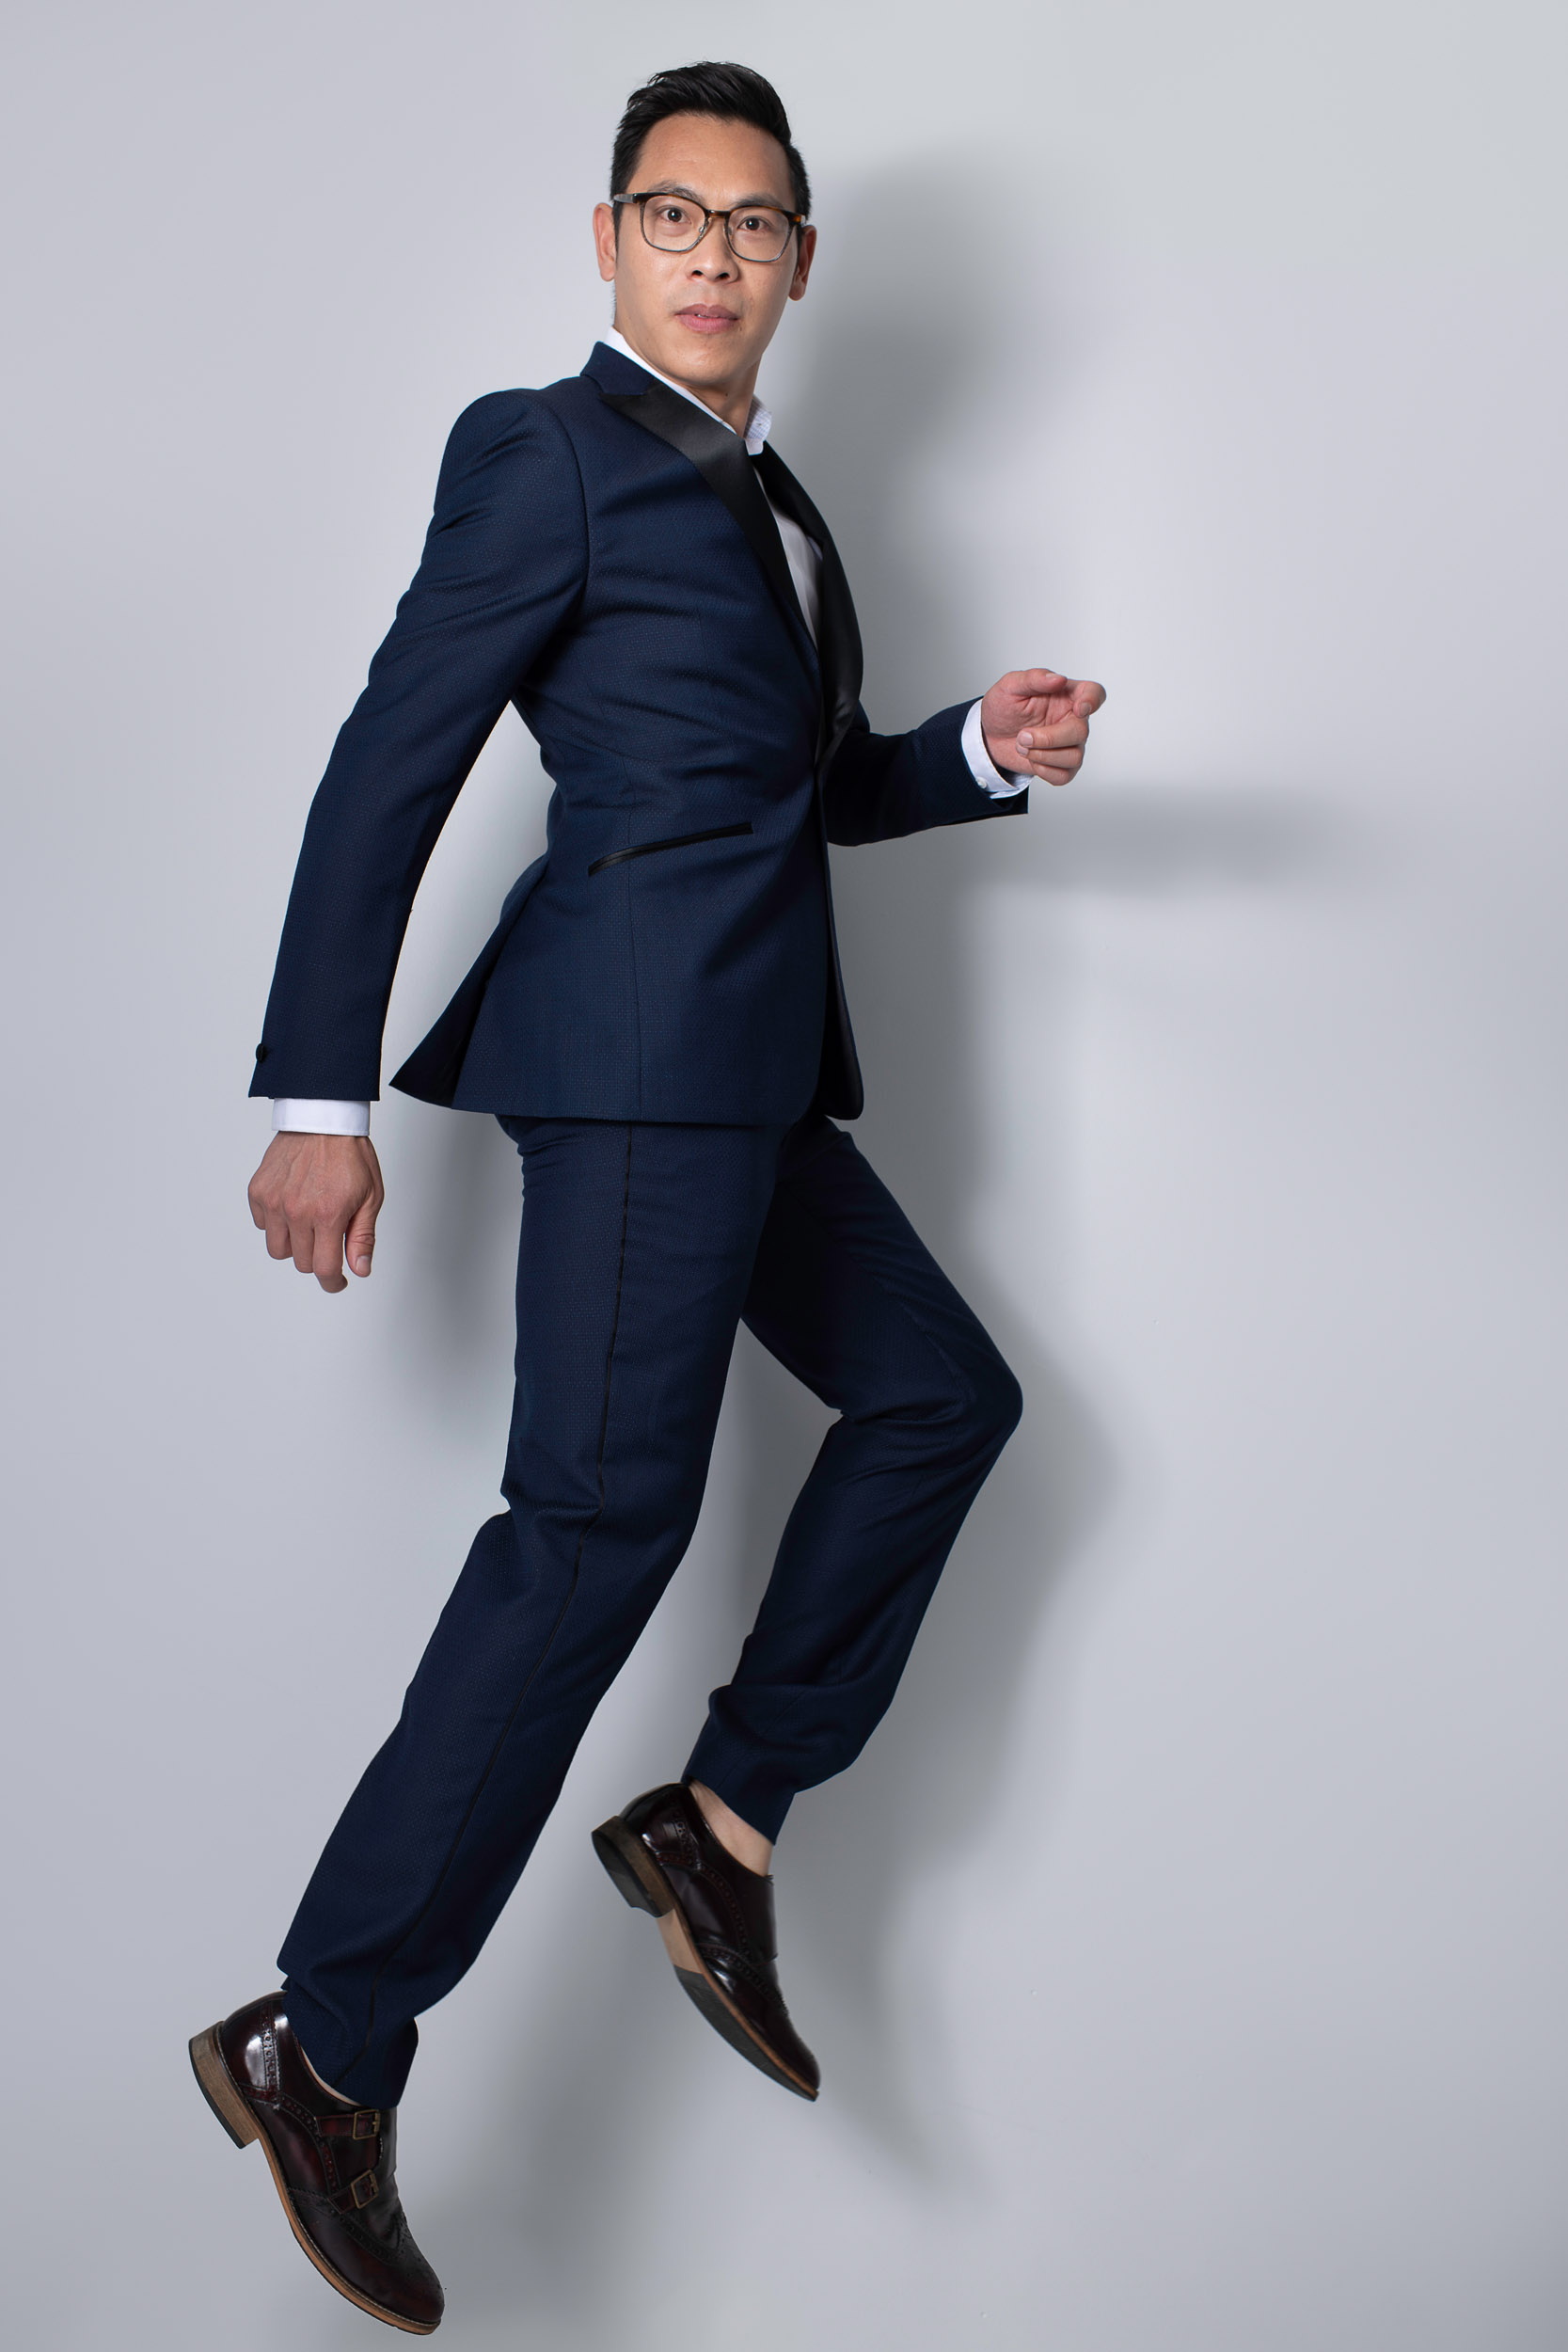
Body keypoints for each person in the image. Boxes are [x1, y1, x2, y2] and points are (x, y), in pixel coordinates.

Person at [189, 60, 1105, 2334]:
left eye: (754, 224)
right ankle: (328, 2031)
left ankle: (712, 1818)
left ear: (801, 263)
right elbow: (388, 759)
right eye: (672, 216)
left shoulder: (775, 499)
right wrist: (321, 1090)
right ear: (606, 242)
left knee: (941, 1402)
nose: (713, 255)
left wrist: (973, 754)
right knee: (589, 1538)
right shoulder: (547, 452)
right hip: (622, 1076)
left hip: (756, 1082)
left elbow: (779, 790)